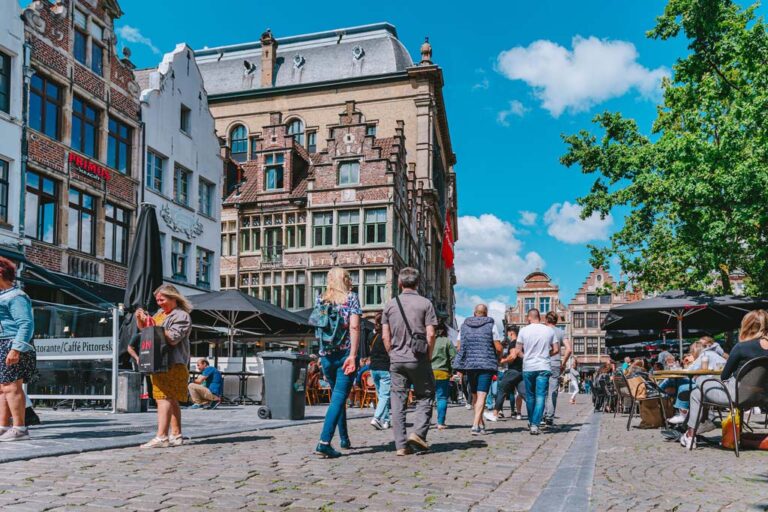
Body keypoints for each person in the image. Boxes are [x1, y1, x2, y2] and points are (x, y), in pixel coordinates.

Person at [680, 310, 768, 449]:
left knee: (700, 383)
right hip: (761, 398)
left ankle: (691, 434)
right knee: (697, 393)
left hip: (736, 396)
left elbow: (724, 376)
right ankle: (695, 427)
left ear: (747, 326)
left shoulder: (741, 347)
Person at [128, 284, 192, 448]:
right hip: (158, 361)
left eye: (162, 299)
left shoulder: (181, 316)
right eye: (157, 300)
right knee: (171, 399)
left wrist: (153, 324)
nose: (160, 303)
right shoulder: (160, 314)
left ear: (174, 298)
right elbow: (147, 332)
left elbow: (172, 338)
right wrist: (140, 319)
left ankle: (162, 437)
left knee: (163, 398)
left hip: (171, 363)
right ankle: (176, 436)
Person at [382, 267, 437, 455]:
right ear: (417, 283)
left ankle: (400, 445)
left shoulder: (389, 305)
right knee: (425, 395)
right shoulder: (425, 304)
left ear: (400, 283)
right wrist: (428, 356)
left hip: (396, 359)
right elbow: (430, 334)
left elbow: (385, 336)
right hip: (418, 358)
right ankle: (419, 434)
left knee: (398, 401)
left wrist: (392, 353)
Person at [311, 267, 361, 458]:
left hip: (326, 356)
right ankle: (324, 443)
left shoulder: (320, 299)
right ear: (346, 280)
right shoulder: (351, 298)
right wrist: (353, 354)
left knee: (337, 399)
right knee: (339, 397)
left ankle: (344, 438)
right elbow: (355, 325)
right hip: (344, 355)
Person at [0, 257, 36, 442]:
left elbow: (25, 324)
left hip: (12, 343)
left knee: (12, 387)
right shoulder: (3, 296)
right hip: (3, 343)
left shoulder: (16, 296)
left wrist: (16, 349)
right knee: (2, 389)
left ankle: (20, 428)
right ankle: (4, 426)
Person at [453, 304, 501, 435]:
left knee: (474, 395)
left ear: (474, 313)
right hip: (485, 364)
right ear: (486, 313)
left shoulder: (464, 326)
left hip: (469, 365)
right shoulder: (491, 325)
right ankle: (475, 425)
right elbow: (498, 347)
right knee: (482, 395)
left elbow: (459, 347)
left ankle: (481, 423)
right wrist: (499, 355)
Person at [517, 308, 558, 435]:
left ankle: (532, 422)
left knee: (530, 396)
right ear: (539, 317)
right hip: (543, 366)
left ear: (529, 317)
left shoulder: (523, 330)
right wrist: (546, 354)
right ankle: (535, 424)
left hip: (529, 367)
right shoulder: (549, 330)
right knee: (541, 396)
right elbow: (556, 349)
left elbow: (518, 350)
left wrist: (527, 357)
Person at [484, 325, 524, 423]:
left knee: (501, 389)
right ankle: (538, 414)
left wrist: (503, 360)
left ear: (511, 333)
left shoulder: (514, 343)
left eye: (507, 333)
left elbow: (513, 356)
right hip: (521, 371)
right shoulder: (521, 343)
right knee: (525, 393)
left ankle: (494, 414)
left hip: (513, 371)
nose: (507, 335)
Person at [543, 311, 568, 427]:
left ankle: (541, 415)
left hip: (543, 363)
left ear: (546, 320)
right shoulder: (561, 332)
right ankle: (549, 418)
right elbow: (569, 349)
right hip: (555, 364)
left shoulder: (542, 331)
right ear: (556, 321)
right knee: (552, 391)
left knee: (542, 390)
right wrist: (563, 363)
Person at [431, 324, 457, 430]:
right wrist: (452, 371)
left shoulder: (429, 340)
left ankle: (425, 422)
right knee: (441, 398)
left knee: (427, 398)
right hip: (443, 372)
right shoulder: (447, 341)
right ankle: (440, 422)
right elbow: (454, 358)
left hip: (429, 373)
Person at [368, 313, 391, 430]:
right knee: (385, 395)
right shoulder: (387, 335)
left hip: (373, 367)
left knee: (381, 395)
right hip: (385, 367)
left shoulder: (371, 336)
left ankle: (385, 420)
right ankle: (376, 418)